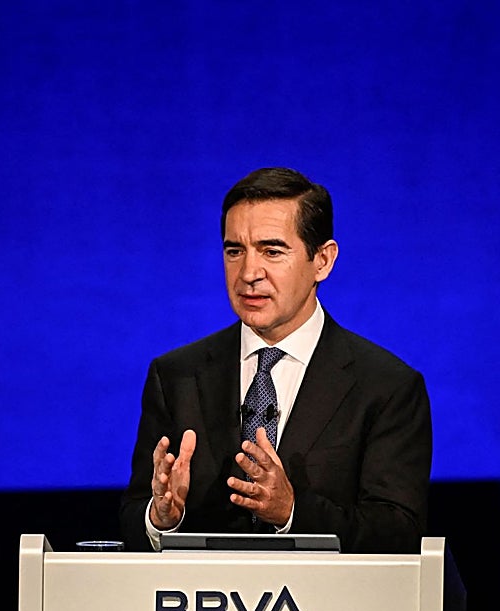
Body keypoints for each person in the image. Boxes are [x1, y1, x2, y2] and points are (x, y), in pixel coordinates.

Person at [118, 166, 433, 557]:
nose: (249, 273)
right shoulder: (176, 376)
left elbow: (398, 532)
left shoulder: (387, 387)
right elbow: (133, 516)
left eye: (272, 251)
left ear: (322, 260)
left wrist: (293, 512)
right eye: (235, 251)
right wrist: (161, 518)